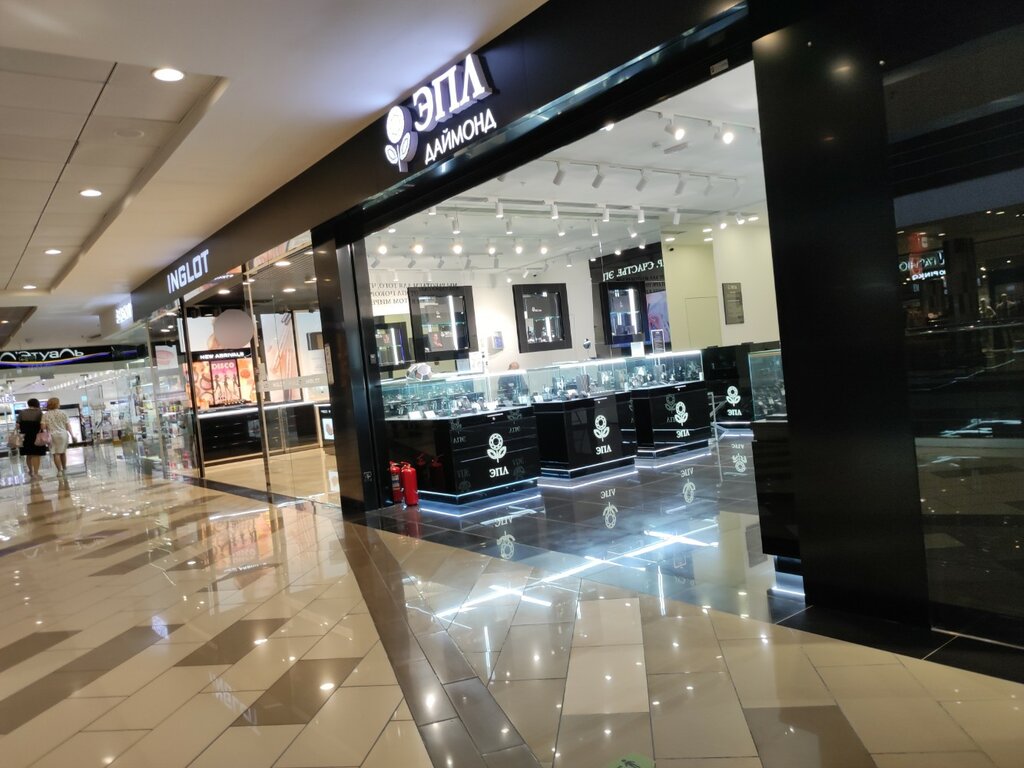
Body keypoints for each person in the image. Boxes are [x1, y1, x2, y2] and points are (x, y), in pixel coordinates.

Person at [16, 398, 47, 479]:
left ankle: (30, 471)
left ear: (28, 404)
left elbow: (17, 425)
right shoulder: (39, 412)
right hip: (36, 436)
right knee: (36, 454)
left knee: (28, 454)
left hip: (25, 436)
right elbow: (42, 425)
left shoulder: (22, 412)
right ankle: (36, 473)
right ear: (37, 404)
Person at [42, 397, 71, 475]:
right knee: (63, 452)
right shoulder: (63, 413)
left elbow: (43, 427)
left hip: (52, 436)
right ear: (57, 404)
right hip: (63, 434)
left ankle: (59, 471)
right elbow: (68, 426)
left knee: (56, 454)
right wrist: (72, 435)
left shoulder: (46, 415)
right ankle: (64, 468)